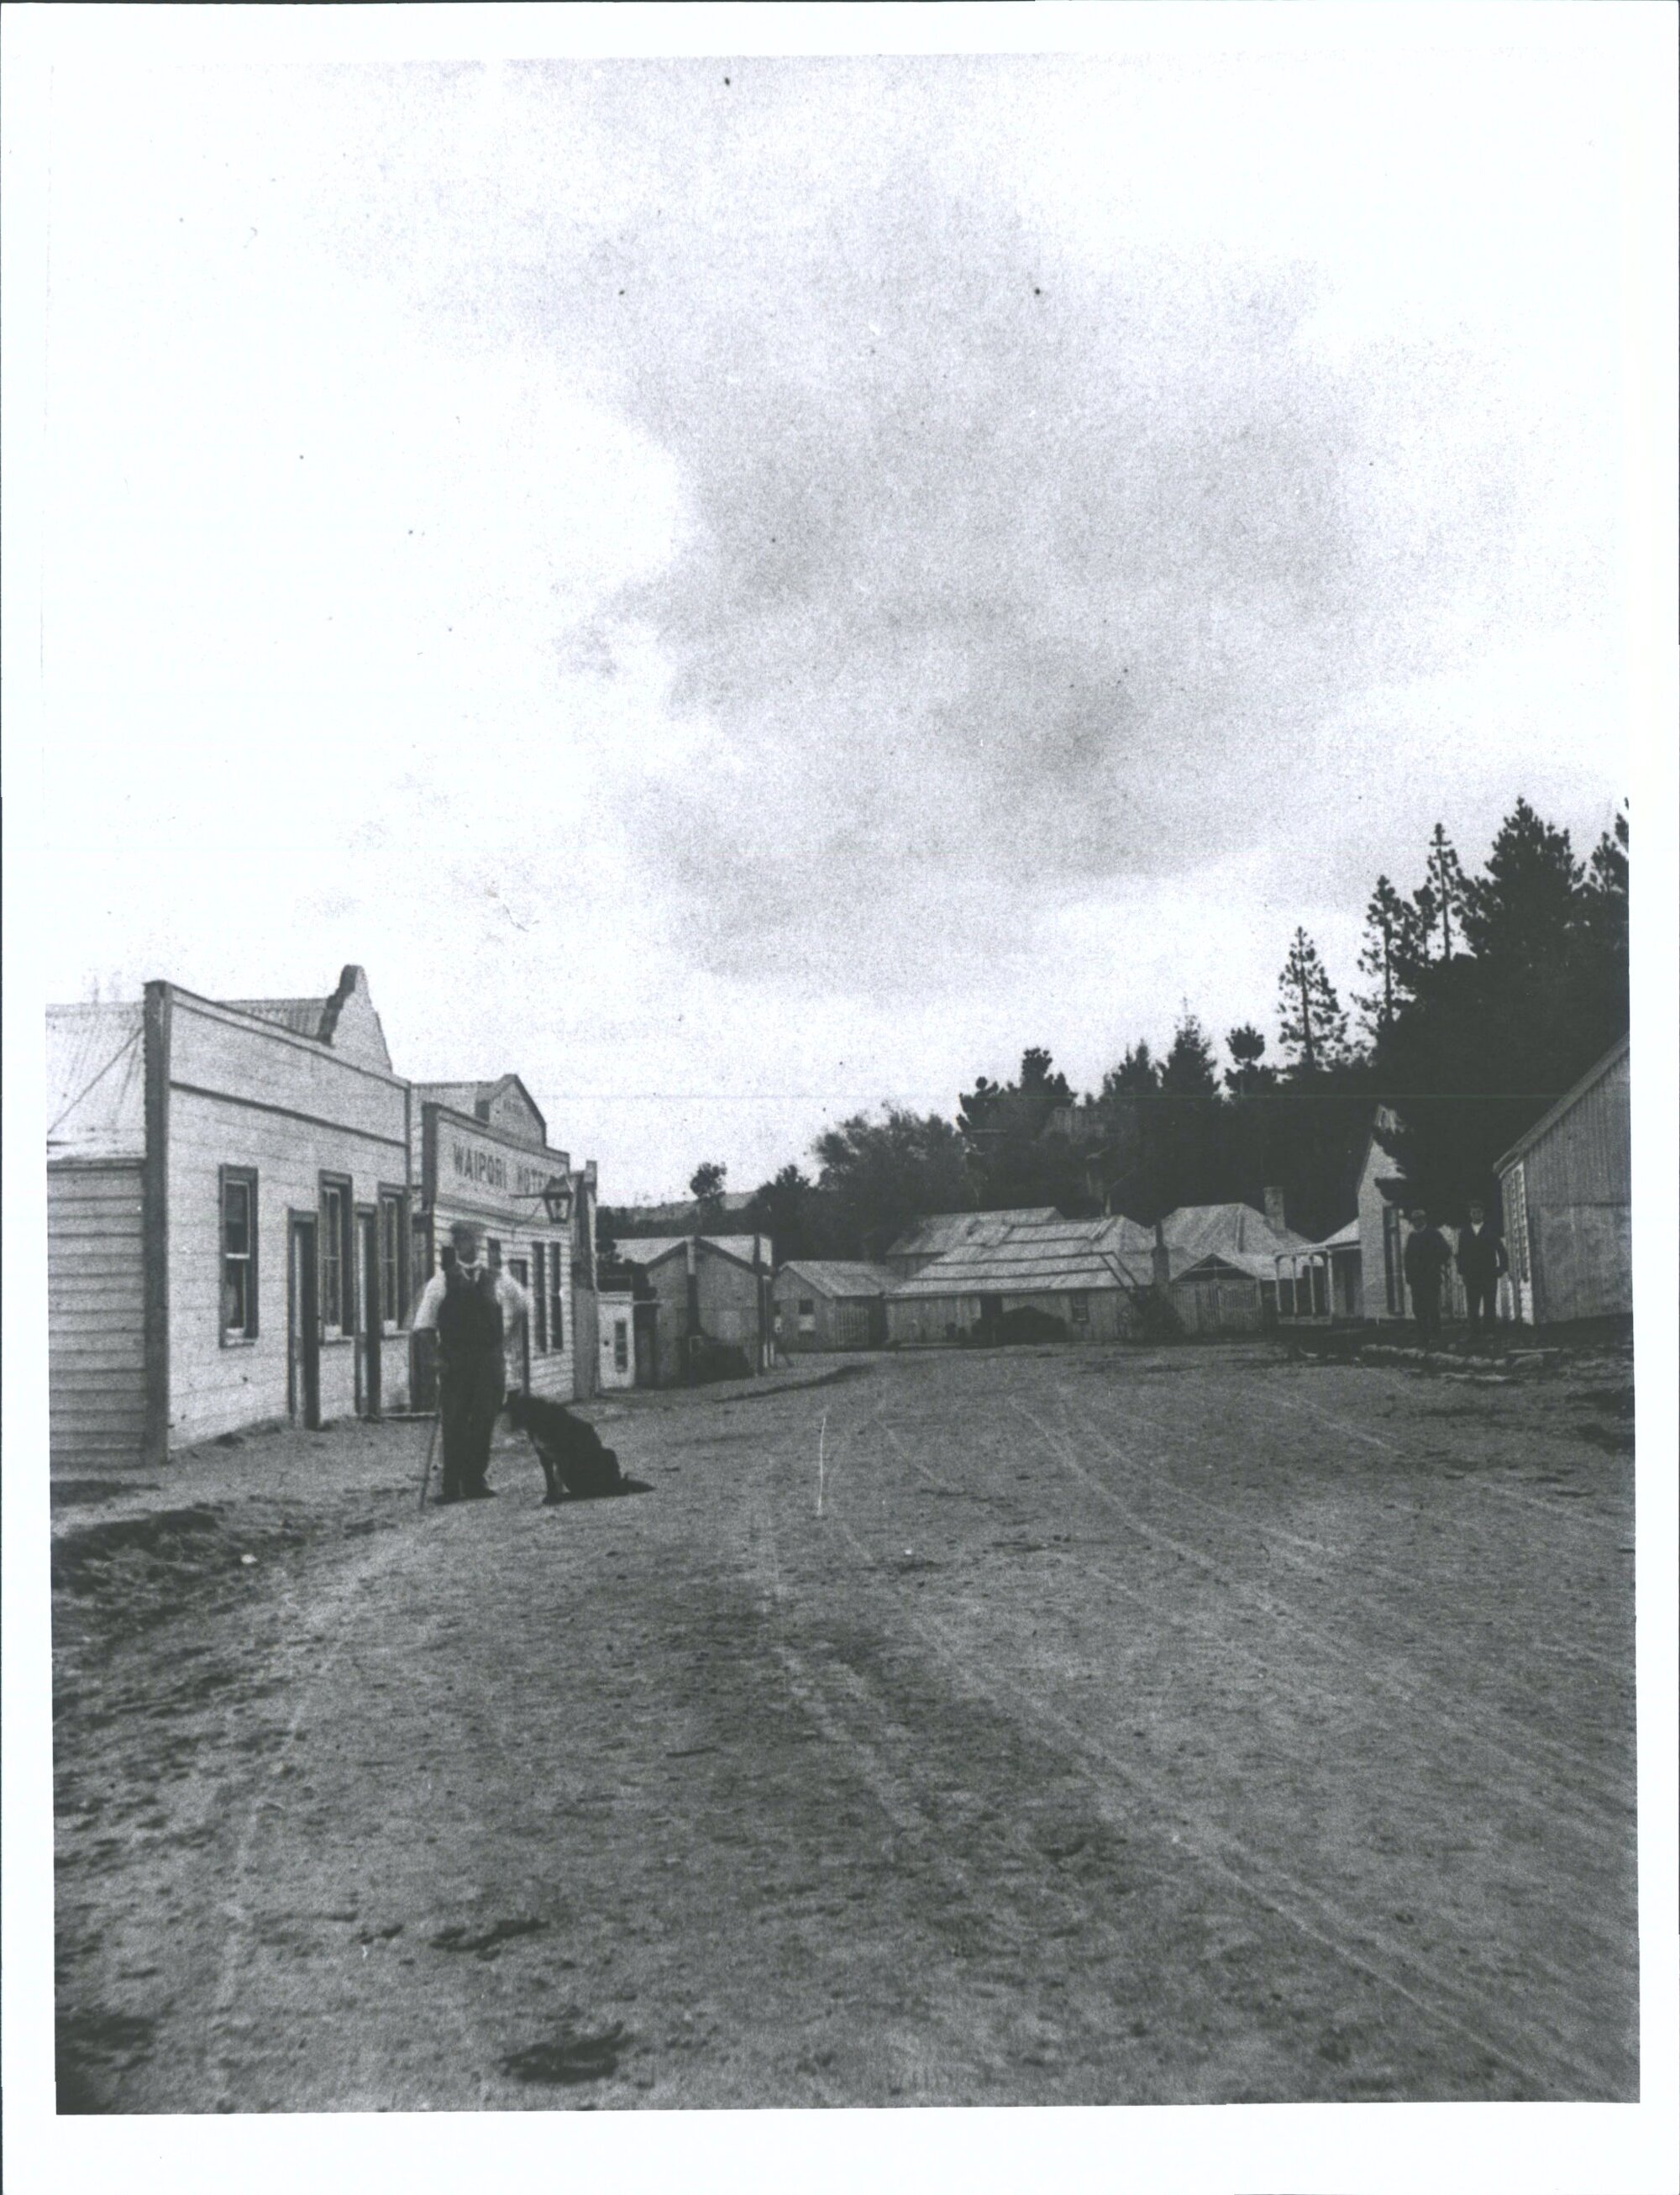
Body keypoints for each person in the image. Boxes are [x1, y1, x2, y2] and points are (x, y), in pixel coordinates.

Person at [412, 1221, 533, 1504]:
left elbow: (525, 1305)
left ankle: (475, 1481)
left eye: (468, 1240)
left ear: (479, 1243)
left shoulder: (498, 1280)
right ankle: (451, 1486)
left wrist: (508, 1337)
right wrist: (435, 1358)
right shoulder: (441, 1282)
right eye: (458, 1240)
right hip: (455, 1362)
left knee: (483, 1421)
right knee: (454, 1421)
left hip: (489, 1363)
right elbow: (423, 1326)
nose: (463, 1245)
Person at [1456, 1199, 1508, 1348]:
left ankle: (1489, 1331)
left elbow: (1501, 1250)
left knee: (1489, 1303)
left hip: (1488, 1273)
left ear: (1483, 1214)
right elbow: (1460, 1254)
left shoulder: (1490, 1230)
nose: (1476, 1215)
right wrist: (1462, 1272)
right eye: (1473, 1212)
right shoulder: (1465, 1232)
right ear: (1470, 1214)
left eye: (1478, 1212)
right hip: (1472, 1274)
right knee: (1473, 1304)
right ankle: (1474, 1332)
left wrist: (1502, 1268)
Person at [1401, 1209, 1452, 1347]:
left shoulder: (1433, 1234)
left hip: (1431, 1278)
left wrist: (1435, 1263)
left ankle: (1435, 1335)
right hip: (1417, 1280)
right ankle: (1422, 1337)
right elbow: (1407, 1259)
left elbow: (1446, 1251)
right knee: (1418, 1309)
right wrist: (1409, 1276)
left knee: (1432, 1307)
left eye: (1420, 1220)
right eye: (1414, 1221)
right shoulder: (1412, 1237)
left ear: (1424, 1220)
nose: (1417, 1223)